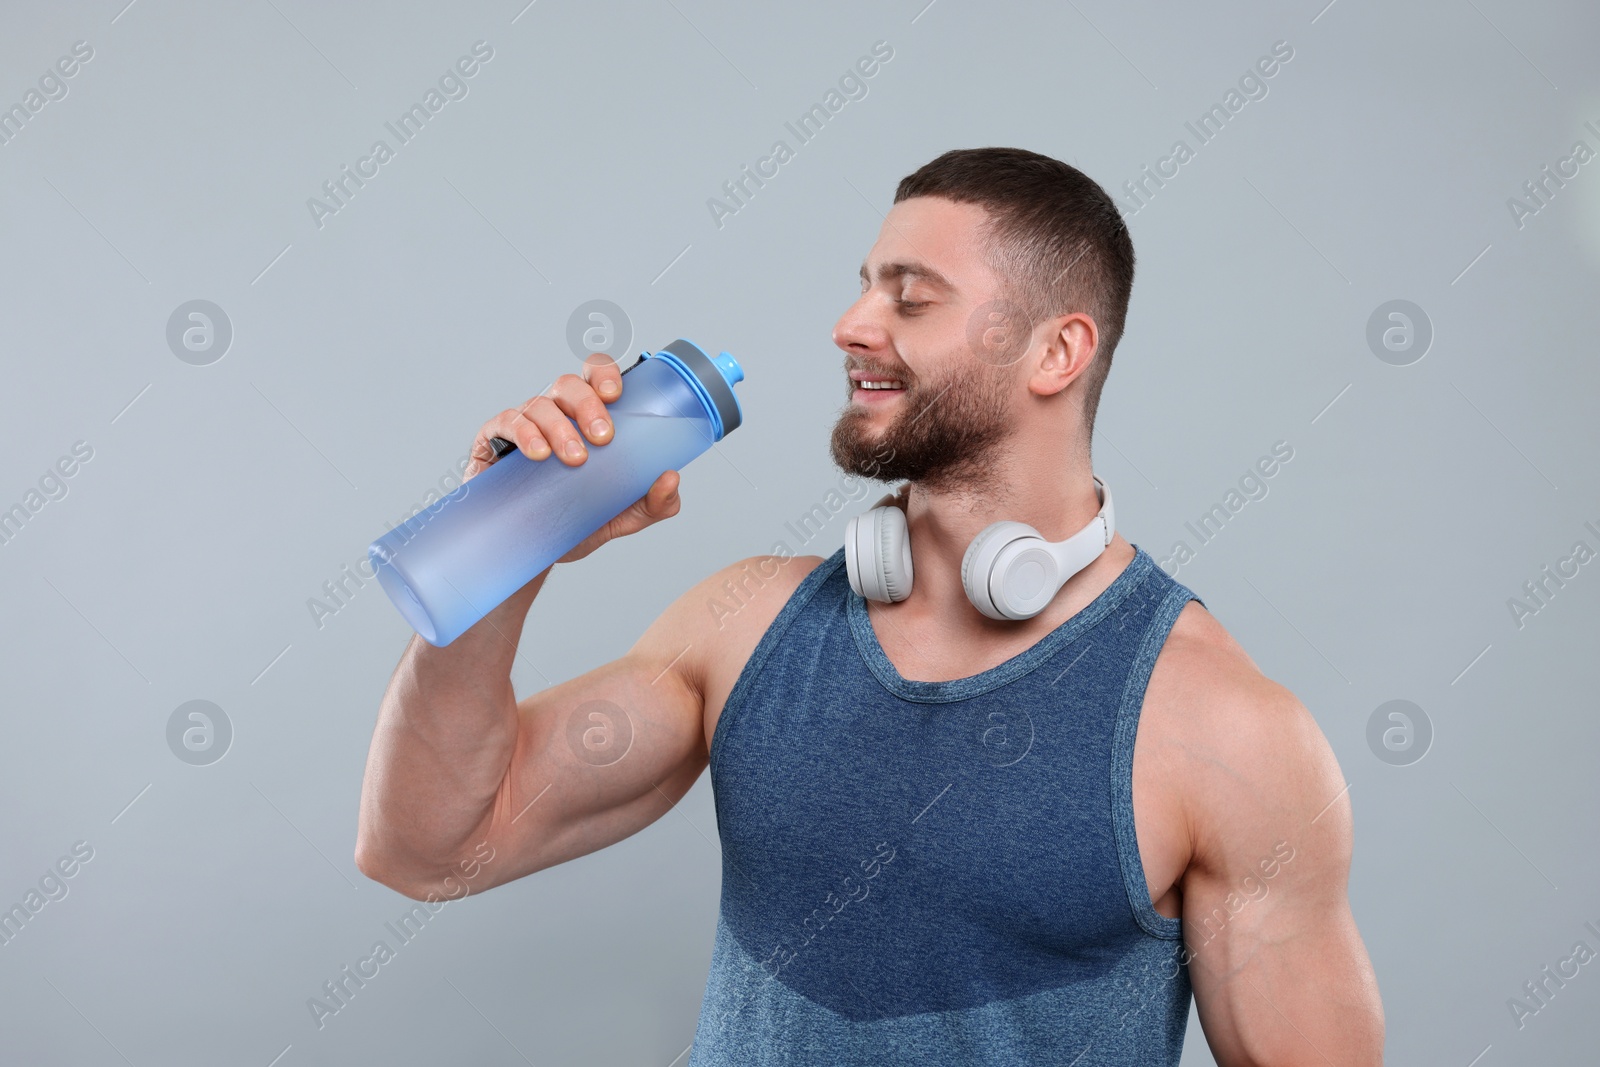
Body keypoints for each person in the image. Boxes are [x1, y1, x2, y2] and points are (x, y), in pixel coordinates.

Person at [356, 146, 1384, 1065]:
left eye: (912, 297)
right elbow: (427, 847)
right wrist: (508, 542)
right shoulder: (747, 622)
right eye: (863, 289)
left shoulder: (1225, 729)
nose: (852, 325)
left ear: (1055, 352)